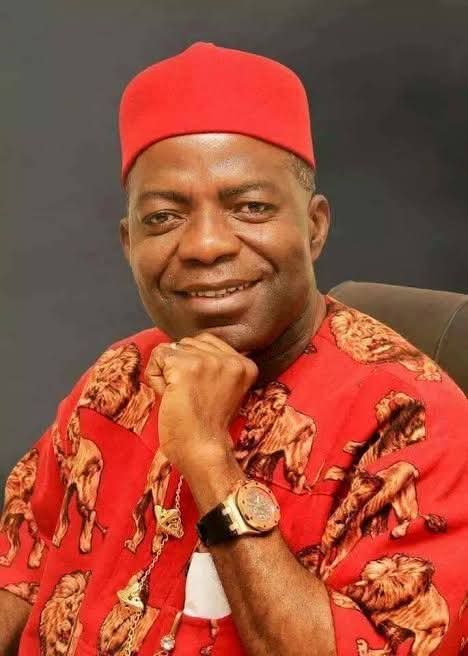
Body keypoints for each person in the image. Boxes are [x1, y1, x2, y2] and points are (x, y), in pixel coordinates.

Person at [0, 41, 467, 656]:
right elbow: (21, 564)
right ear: (128, 243)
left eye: (249, 207)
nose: (206, 245)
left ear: (314, 227)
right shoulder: (120, 375)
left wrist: (207, 457)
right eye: (164, 217)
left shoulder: (409, 421)